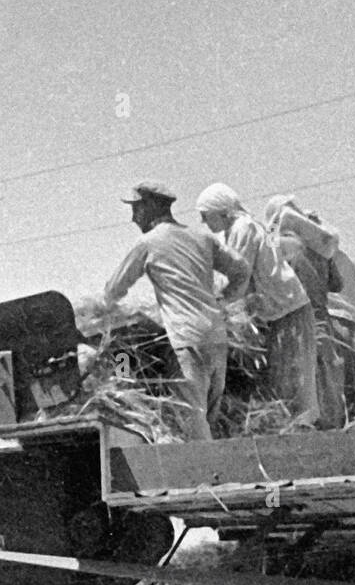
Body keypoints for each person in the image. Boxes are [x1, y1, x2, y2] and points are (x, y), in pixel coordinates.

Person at [104, 182, 249, 441]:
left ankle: (206, 475)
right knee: (209, 417)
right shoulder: (202, 238)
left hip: (187, 340)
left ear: (150, 207)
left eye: (136, 208)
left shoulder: (148, 242)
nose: (133, 216)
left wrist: (103, 313)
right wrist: (223, 299)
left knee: (193, 421)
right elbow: (241, 269)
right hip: (217, 337)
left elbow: (114, 289)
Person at [195, 182, 318, 425]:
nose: (203, 223)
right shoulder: (239, 229)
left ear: (222, 212)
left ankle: (302, 429)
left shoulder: (242, 228)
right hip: (280, 312)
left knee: (292, 381)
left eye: (205, 216)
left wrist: (213, 306)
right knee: (283, 378)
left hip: (288, 311)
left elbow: (238, 280)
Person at [265, 195, 346, 430]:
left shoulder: (280, 246)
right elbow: (337, 285)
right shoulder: (319, 251)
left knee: (301, 388)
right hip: (324, 323)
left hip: (298, 327)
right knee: (329, 385)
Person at [328, 245, 355, 419]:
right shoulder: (343, 258)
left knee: (337, 386)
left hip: (335, 320)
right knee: (354, 387)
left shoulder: (314, 255)